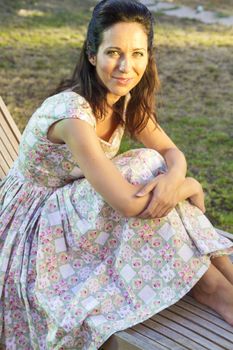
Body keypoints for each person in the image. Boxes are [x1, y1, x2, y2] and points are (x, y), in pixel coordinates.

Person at [0, 0, 233, 348]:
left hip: (76, 208)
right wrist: (187, 186)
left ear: (148, 56)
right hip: (33, 227)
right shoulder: (73, 116)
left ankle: (223, 280)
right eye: (114, 52)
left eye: (137, 53)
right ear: (92, 55)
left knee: (153, 167)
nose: (126, 66)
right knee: (143, 168)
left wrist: (178, 179)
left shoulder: (122, 96)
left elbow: (171, 152)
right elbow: (126, 204)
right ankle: (214, 289)